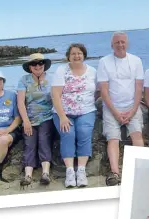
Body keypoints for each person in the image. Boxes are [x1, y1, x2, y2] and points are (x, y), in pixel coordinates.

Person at [97, 31, 144, 186]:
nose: (120, 45)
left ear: (127, 43)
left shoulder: (136, 61)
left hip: (132, 105)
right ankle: (115, 173)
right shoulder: (104, 62)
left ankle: (140, 169)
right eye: (117, 42)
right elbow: (104, 91)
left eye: (123, 42)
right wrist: (116, 113)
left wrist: (132, 110)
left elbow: (139, 89)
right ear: (112, 45)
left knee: (137, 135)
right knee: (113, 138)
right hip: (112, 107)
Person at [51, 43, 98, 188]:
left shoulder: (92, 71)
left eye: (79, 53)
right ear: (68, 57)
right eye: (73, 54)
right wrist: (63, 116)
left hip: (86, 110)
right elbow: (55, 95)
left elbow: (99, 91)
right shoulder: (61, 70)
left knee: (84, 131)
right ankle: (70, 171)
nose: (77, 56)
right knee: (68, 133)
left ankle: (81, 171)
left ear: (84, 55)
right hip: (63, 112)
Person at [17, 53, 54, 186]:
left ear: (44, 65)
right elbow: (20, 102)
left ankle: (45, 173)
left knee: (44, 140)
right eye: (34, 64)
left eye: (40, 63)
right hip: (30, 118)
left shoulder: (53, 78)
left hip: (47, 116)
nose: (38, 66)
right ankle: (28, 175)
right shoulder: (23, 80)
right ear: (29, 67)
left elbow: (58, 98)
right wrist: (25, 121)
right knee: (29, 143)